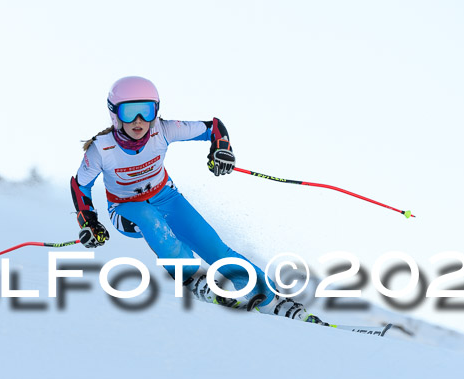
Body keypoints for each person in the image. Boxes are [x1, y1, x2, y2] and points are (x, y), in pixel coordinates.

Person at [70, 76, 327, 324]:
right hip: (125, 208)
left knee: (216, 249)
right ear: (115, 114)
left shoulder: (165, 129)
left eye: (146, 111)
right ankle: (192, 278)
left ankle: (273, 301)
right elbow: (81, 185)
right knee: (151, 219)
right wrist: (89, 222)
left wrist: (221, 149)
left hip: (166, 197)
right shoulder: (101, 149)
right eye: (130, 112)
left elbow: (213, 127)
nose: (139, 120)